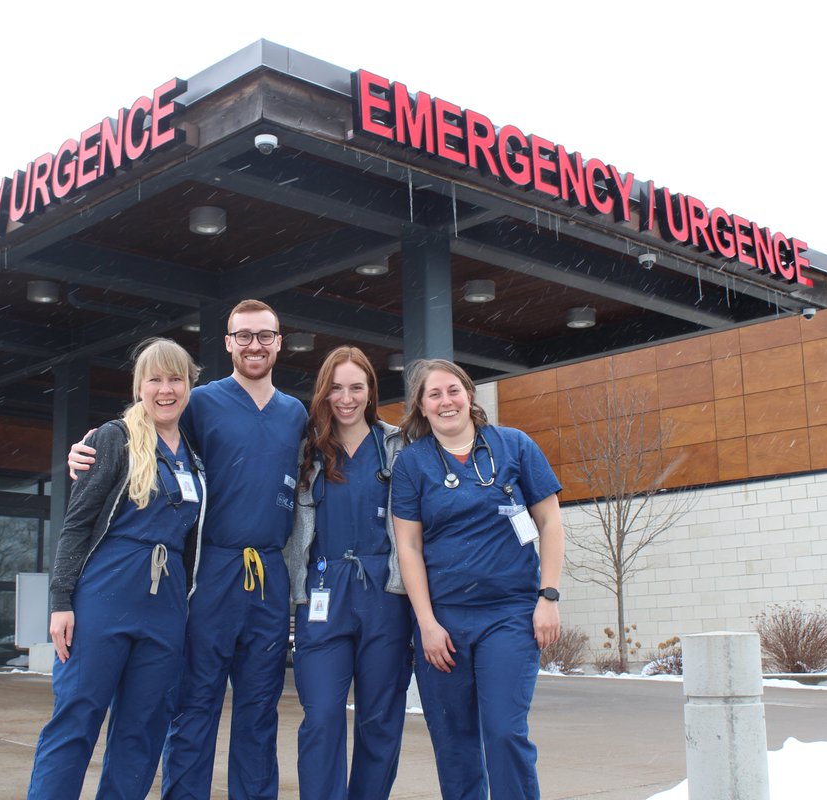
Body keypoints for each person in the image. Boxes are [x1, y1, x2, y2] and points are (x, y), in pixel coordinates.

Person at [68, 299, 307, 800]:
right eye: (243, 336)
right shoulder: (202, 401)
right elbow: (150, 426)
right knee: (195, 702)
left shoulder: (295, 414)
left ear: (279, 342)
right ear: (228, 343)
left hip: (267, 573)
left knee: (260, 708)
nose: (254, 345)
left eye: (265, 335)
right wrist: (90, 444)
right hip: (210, 569)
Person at [28, 338, 206, 800]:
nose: (165, 390)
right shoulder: (113, 438)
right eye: (155, 380)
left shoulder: (193, 455)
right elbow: (77, 525)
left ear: (189, 386)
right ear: (139, 386)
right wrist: (61, 601)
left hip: (165, 607)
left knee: (143, 730)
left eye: (176, 379)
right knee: (76, 719)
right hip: (104, 597)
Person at [390, 359, 564, 800]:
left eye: (453, 390)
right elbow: (408, 546)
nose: (446, 401)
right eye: (434, 395)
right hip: (444, 621)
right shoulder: (412, 464)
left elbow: (551, 524)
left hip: (509, 613)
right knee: (453, 742)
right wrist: (426, 623)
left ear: (469, 394)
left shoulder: (515, 446)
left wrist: (549, 596)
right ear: (422, 407)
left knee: (505, 732)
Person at [284, 346, 413, 800]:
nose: (346, 397)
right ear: (324, 392)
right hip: (323, 590)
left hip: (387, 593)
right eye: (336, 387)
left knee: (380, 719)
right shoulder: (306, 450)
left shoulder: (398, 445)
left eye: (356, 387)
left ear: (371, 391)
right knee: (321, 716)